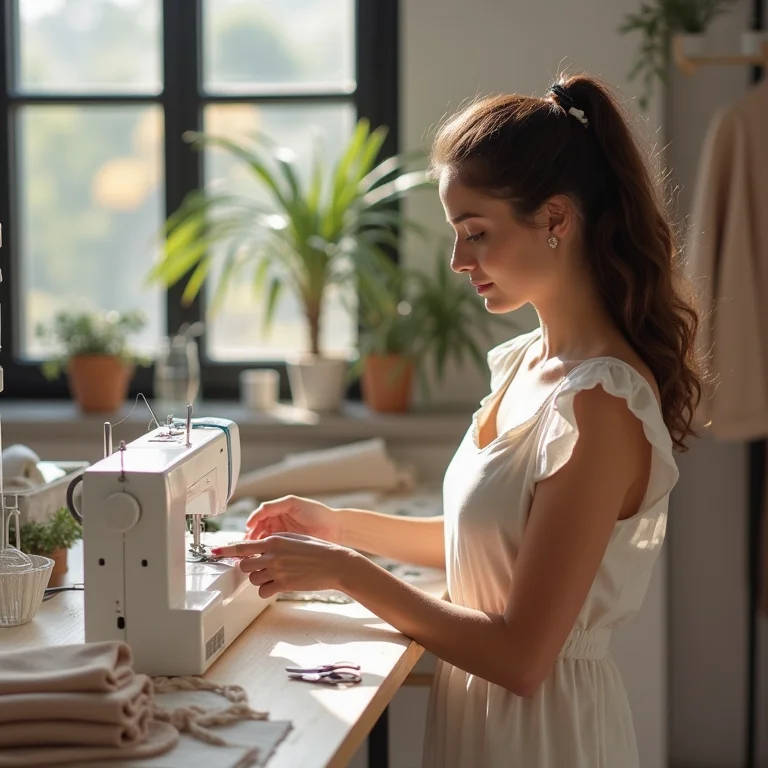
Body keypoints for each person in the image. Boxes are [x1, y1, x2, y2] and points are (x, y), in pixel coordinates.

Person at [211, 74, 703, 767]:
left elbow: (522, 655)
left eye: (476, 233)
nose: (457, 261)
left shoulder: (600, 405)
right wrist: (337, 526)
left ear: (556, 220)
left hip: (544, 739)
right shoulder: (531, 363)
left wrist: (346, 570)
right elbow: (494, 546)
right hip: (488, 724)